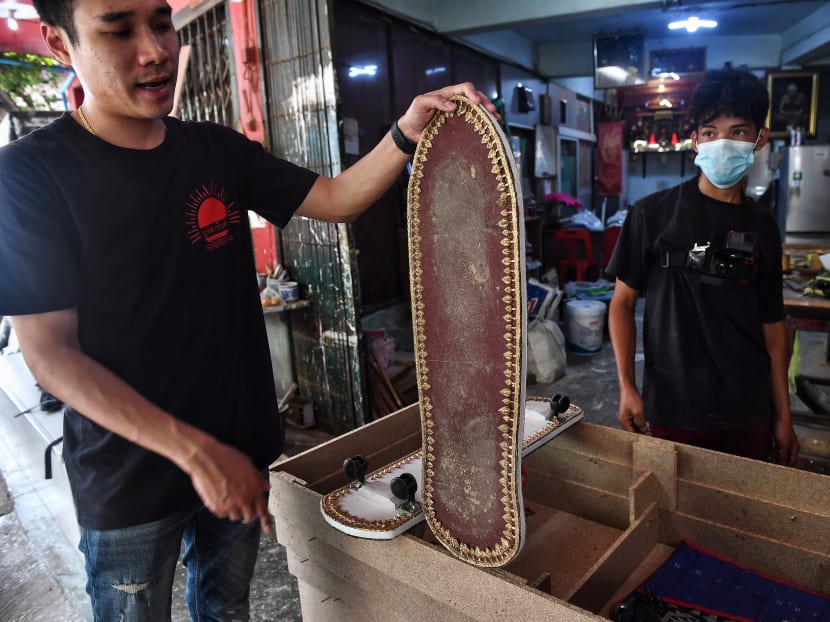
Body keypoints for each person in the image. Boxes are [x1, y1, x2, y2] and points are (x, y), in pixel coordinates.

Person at [0, 0, 496, 619]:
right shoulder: (30, 174)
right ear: (58, 42)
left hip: (237, 455)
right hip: (129, 480)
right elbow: (50, 355)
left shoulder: (215, 151)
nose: (154, 50)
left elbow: (337, 198)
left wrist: (405, 132)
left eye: (161, 23)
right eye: (119, 30)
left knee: (226, 610)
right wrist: (195, 453)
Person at [606, 66, 800, 466]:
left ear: (760, 139)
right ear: (695, 140)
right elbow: (622, 303)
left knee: (741, 501)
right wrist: (626, 385)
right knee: (675, 501)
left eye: (738, 131)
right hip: (674, 406)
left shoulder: (763, 226)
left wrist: (783, 415)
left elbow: (774, 328)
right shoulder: (652, 214)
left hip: (749, 407)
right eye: (711, 132)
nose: (723, 143)